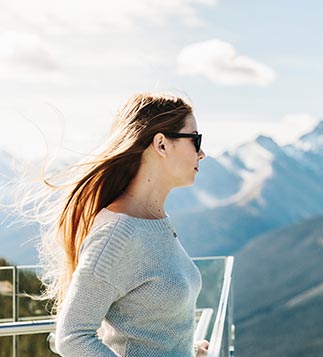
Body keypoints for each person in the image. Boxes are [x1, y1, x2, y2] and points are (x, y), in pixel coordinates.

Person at [33, 93, 208, 356]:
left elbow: (149, 329)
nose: (202, 153)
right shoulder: (118, 235)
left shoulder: (154, 221)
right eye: (195, 140)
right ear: (161, 144)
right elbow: (72, 338)